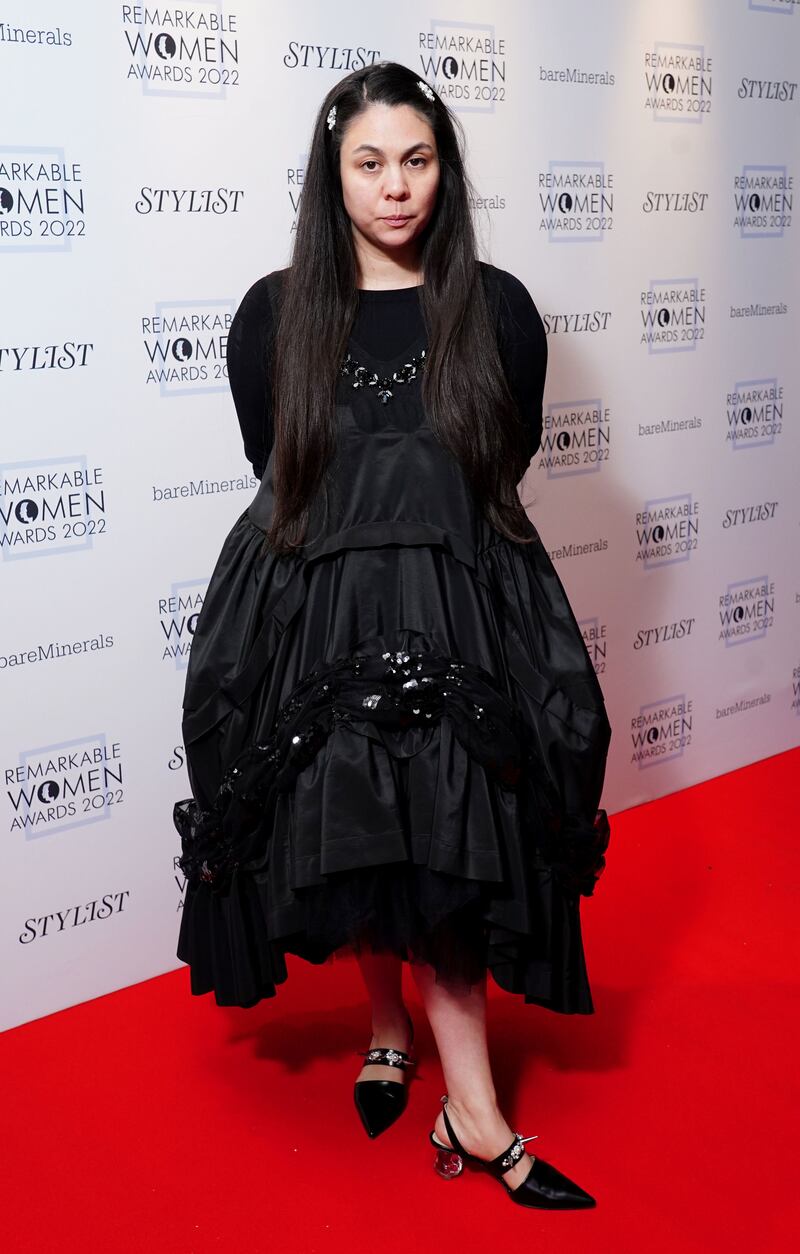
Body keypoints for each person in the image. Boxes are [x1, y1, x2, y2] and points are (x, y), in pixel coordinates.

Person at [173, 61, 611, 1211]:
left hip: (457, 612)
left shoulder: (497, 308)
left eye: (416, 160)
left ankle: (473, 1110)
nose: (395, 187)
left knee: (452, 849)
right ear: (332, 174)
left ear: (444, 169)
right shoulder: (275, 315)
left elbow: (497, 466)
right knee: (359, 829)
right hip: (318, 616)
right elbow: (273, 465)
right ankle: (384, 1027)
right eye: (369, 164)